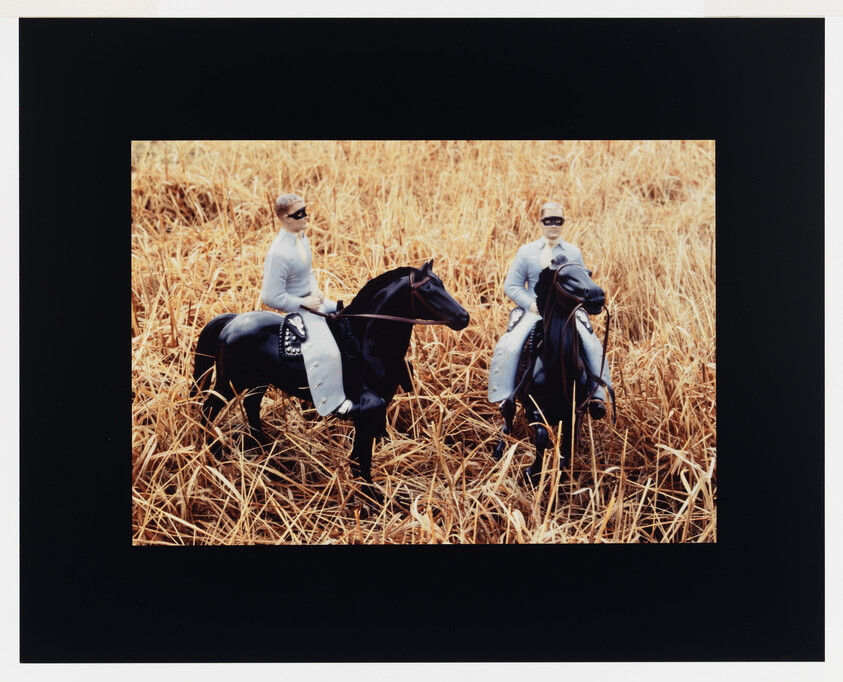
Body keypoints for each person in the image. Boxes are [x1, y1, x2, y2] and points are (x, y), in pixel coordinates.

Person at [488, 201, 611, 417]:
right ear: (541, 223)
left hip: (567, 311)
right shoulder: (526, 252)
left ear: (563, 223)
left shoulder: (573, 252)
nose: (553, 225)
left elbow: (581, 282)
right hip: (535, 310)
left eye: (558, 221)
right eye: (549, 221)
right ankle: (505, 396)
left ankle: (598, 395)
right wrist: (531, 303)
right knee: (511, 346)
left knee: (592, 346)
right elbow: (512, 285)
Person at [262, 193, 379, 417]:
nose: (306, 217)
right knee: (328, 352)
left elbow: (308, 271)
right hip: (302, 309)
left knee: (353, 319)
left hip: (316, 299)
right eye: (299, 214)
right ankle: (335, 403)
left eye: (305, 210)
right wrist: (303, 302)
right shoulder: (278, 253)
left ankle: (358, 379)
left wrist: (315, 291)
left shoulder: (301, 237)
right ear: (285, 218)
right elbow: (270, 296)